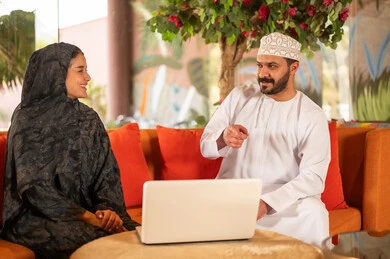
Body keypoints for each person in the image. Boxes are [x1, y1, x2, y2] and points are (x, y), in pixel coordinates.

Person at [0, 42, 139, 258]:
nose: (88, 77)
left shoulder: (89, 118)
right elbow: (35, 190)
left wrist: (107, 210)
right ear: (56, 73)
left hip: (92, 215)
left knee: (139, 234)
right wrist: (89, 217)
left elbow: (107, 175)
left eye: (87, 70)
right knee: (103, 238)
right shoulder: (27, 119)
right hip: (36, 219)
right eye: (80, 70)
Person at [200, 32, 330, 247]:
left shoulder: (311, 115)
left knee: (314, 213)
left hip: (284, 201)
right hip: (235, 193)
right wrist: (223, 138)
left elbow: (314, 177)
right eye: (260, 66)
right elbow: (206, 147)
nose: (263, 73)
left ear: (293, 68)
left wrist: (268, 203)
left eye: (272, 66)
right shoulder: (239, 97)